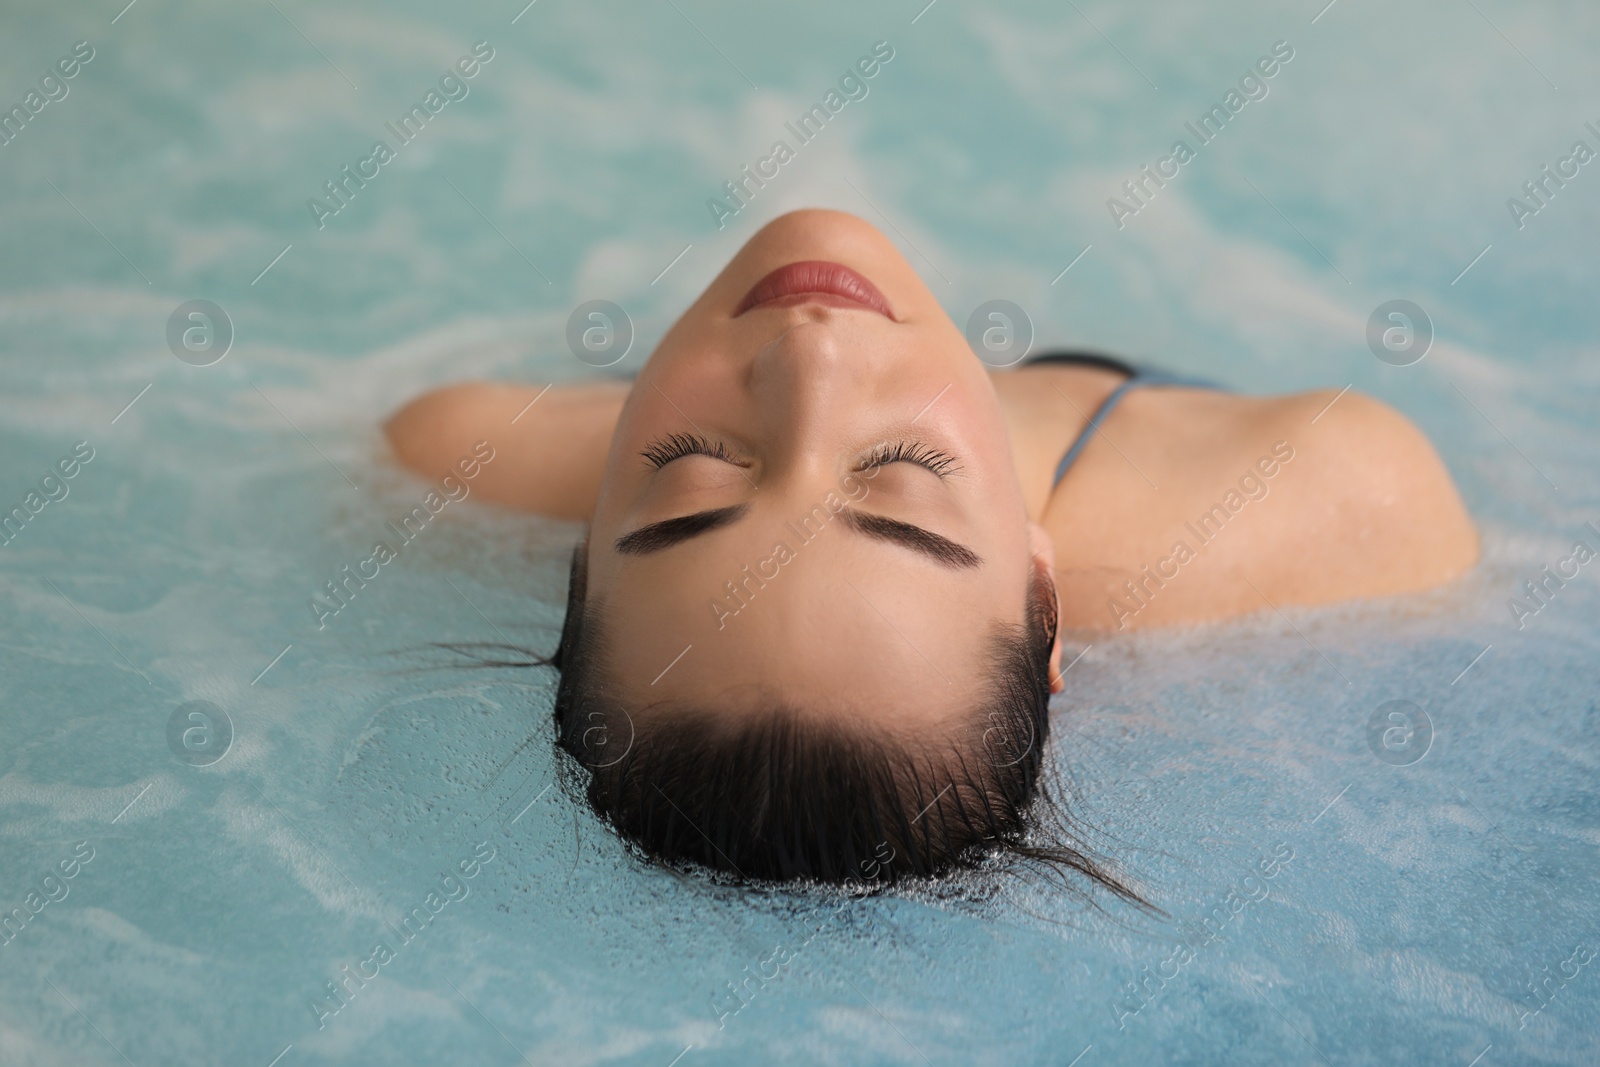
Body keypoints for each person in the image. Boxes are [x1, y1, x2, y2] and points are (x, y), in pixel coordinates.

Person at [385, 209, 1477, 895]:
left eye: (693, 471)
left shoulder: (457, 453)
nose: (811, 357)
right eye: (902, 477)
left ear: (576, 562)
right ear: (1044, 592)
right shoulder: (1345, 496)